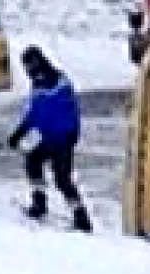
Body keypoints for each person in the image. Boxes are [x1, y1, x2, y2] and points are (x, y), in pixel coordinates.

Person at [8, 46, 91, 232]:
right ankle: (40, 203)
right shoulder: (43, 83)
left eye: (29, 65)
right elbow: (35, 114)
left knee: (62, 179)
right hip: (51, 138)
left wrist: (72, 132)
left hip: (62, 138)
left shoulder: (57, 83)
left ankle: (81, 216)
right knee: (33, 161)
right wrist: (19, 133)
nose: (28, 70)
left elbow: (52, 111)